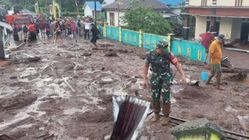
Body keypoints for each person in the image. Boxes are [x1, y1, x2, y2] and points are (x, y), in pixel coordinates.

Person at [143, 41, 186, 125]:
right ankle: (156, 114)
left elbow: (177, 63)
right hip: (155, 77)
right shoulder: (150, 54)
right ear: (157, 48)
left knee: (165, 95)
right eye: (162, 50)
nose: (164, 51)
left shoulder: (168, 53)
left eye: (165, 49)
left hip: (166, 77)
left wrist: (182, 75)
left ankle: (166, 116)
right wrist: (145, 79)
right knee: (155, 96)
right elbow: (146, 66)